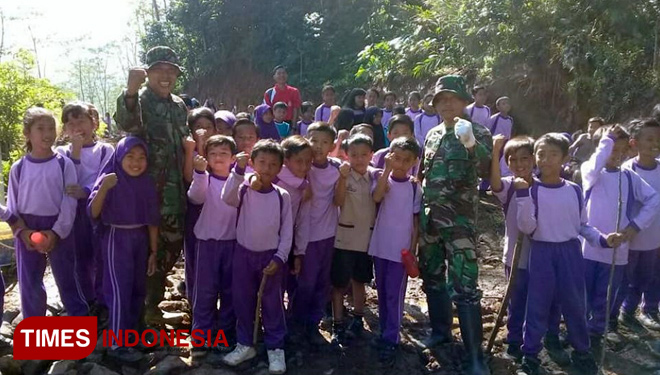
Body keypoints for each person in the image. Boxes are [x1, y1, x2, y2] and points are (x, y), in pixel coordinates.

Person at [515, 133, 619, 375]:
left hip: (570, 253)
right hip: (541, 252)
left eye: (553, 155)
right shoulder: (531, 189)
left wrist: (603, 239)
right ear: (534, 158)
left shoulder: (573, 190)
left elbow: (583, 225)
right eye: (541, 154)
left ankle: (582, 352)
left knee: (575, 304)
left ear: (564, 158)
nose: (546, 160)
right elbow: (527, 227)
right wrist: (522, 196)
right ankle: (530, 355)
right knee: (538, 305)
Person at [418, 75, 492, 375]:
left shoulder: (478, 131)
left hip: (460, 223)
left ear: (464, 101)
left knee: (465, 285)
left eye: (452, 98)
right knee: (433, 277)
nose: (446, 104)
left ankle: (475, 357)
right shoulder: (432, 134)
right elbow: (424, 172)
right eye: (441, 99)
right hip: (431, 220)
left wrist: (472, 144)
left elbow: (487, 167)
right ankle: (441, 332)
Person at [114, 46, 189, 325]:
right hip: (147, 196)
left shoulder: (179, 105)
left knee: (170, 251)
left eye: (172, 70)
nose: (166, 75)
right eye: (160, 70)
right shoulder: (140, 100)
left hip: (175, 194)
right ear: (148, 73)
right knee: (147, 254)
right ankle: (141, 311)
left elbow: (185, 142)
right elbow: (127, 124)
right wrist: (130, 91)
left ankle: (151, 305)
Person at [580, 125, 658, 346]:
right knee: (583, 293)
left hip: (617, 251)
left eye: (623, 150)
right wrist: (606, 141)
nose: (619, 155)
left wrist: (635, 226)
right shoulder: (591, 171)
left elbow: (653, 200)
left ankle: (597, 332)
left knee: (606, 296)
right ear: (601, 149)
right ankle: (579, 330)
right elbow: (595, 166)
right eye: (613, 149)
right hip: (589, 248)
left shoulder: (629, 177)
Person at [8, 107, 88, 320]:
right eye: (40, 128)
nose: (47, 134)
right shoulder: (19, 167)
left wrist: (56, 232)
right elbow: (13, 206)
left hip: (58, 227)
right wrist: (22, 232)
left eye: (51, 128)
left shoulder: (64, 164)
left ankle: (79, 320)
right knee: (30, 280)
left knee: (66, 276)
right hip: (27, 227)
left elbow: (69, 202)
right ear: (28, 133)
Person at [221, 140, 292, 375]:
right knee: (243, 301)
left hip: (270, 258)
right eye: (261, 162)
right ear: (253, 163)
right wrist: (238, 171)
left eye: (273, 164)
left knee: (272, 304)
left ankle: (275, 348)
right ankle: (245, 343)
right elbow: (227, 197)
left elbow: (287, 231)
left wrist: (280, 257)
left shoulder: (282, 196)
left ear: (280, 168)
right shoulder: (243, 189)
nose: (267, 168)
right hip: (243, 255)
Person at [88, 136, 159, 362]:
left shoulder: (146, 183)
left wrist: (153, 252)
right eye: (130, 156)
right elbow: (93, 212)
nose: (136, 162)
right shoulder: (110, 179)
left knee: (138, 287)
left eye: (141, 157)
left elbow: (152, 220)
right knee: (119, 288)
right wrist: (104, 189)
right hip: (116, 237)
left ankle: (134, 332)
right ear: (119, 156)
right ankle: (117, 343)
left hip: (140, 238)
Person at [56, 102, 114, 313]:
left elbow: (105, 174)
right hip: (73, 210)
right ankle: (85, 297)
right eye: (70, 123)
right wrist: (76, 152)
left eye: (81, 120)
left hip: (99, 207)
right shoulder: (61, 152)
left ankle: (103, 298)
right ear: (64, 130)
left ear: (94, 123)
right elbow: (67, 177)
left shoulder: (105, 149)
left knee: (100, 252)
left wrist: (87, 190)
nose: (76, 126)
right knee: (79, 254)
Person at [369, 136, 422, 366]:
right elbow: (377, 196)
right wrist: (386, 170)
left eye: (405, 160)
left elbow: (416, 219)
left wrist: (413, 247)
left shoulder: (414, 186)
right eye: (396, 158)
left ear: (413, 162)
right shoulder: (383, 179)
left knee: (394, 293)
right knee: (381, 291)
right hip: (380, 245)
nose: (400, 164)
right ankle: (383, 331)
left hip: (400, 250)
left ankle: (392, 337)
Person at [187, 135, 238, 358]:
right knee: (205, 290)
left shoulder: (241, 180)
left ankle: (226, 332)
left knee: (230, 290)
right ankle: (201, 333)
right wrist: (198, 173)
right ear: (206, 158)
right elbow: (195, 198)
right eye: (213, 154)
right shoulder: (204, 178)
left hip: (234, 243)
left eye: (224, 154)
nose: (218, 158)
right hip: (207, 243)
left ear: (233, 158)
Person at [292, 122, 341, 344]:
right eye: (314, 141)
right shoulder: (302, 168)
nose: (318, 146)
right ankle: (296, 322)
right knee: (305, 282)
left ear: (332, 145)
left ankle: (313, 324)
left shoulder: (337, 169)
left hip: (328, 234)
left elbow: (340, 199)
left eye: (324, 142)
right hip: (305, 236)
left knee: (323, 282)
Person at [330, 134, 377, 347]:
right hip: (344, 240)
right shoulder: (344, 176)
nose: (359, 159)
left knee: (360, 281)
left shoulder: (376, 177)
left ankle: (358, 318)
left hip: (366, 240)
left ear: (371, 156)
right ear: (346, 155)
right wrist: (341, 178)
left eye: (364, 155)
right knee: (339, 284)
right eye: (354, 155)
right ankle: (337, 323)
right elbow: (337, 201)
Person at [615, 118, 660, 331]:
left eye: (658, 139)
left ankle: (649, 309)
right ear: (634, 143)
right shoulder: (626, 171)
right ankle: (625, 311)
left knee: (650, 275)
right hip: (630, 238)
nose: (655, 144)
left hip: (655, 237)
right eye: (649, 139)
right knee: (627, 277)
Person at [276, 136, 313, 310]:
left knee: (290, 279)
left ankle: (288, 319)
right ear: (286, 161)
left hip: (289, 240)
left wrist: (300, 252)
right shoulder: (275, 178)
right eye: (299, 161)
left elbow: (303, 220)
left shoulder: (306, 188)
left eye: (308, 162)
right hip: (269, 239)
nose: (304, 167)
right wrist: (302, 183)